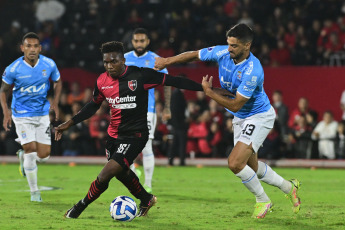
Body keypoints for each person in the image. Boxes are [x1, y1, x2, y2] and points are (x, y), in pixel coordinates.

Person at [154, 23, 301, 219]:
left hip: (258, 116)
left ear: (247, 46)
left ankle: (263, 200)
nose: (229, 48)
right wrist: (167, 61)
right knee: (252, 167)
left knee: (234, 163)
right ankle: (289, 188)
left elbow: (236, 105)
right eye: (228, 44)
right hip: (241, 118)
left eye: (234, 46)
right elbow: (195, 54)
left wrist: (209, 93)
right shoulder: (223, 52)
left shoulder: (252, 70)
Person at [55, 41, 205, 219]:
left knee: (105, 174)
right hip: (113, 136)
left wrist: (206, 89)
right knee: (121, 173)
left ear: (123, 59)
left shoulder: (141, 75)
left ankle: (79, 208)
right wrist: (70, 123)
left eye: (113, 61)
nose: (109, 66)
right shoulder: (102, 80)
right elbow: (92, 106)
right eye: (106, 62)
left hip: (136, 135)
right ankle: (146, 199)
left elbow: (174, 81)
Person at [0, 32, 62, 202]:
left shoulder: (49, 64)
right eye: (28, 46)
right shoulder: (13, 69)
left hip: (42, 114)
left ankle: (22, 156)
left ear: (40, 48)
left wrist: (55, 102)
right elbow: (3, 91)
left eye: (35, 46)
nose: (32, 49)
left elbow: (58, 81)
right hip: (21, 115)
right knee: (30, 149)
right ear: (22, 48)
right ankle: (35, 193)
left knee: (44, 156)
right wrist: (6, 112)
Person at [124, 28, 171, 192]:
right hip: (126, 109)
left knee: (146, 146)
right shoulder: (124, 59)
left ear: (147, 42)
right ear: (132, 42)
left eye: (142, 41)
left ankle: (148, 185)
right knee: (125, 146)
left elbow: (167, 83)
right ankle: (133, 172)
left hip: (147, 110)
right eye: (136, 41)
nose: (139, 44)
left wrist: (167, 107)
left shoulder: (156, 60)